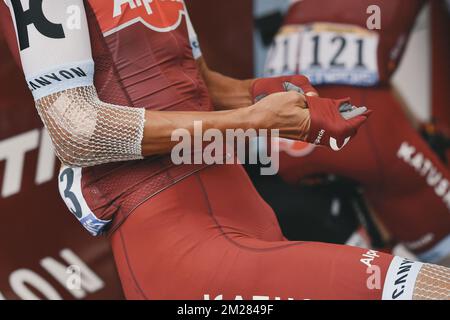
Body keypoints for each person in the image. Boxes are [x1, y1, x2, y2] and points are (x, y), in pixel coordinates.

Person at [1, 0, 448, 300]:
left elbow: (200, 87)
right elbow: (77, 130)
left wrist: (261, 93)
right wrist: (257, 120)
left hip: (247, 215)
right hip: (181, 249)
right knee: (429, 289)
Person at [258, 0, 450, 265]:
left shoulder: (299, 9)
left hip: (285, 145)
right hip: (366, 133)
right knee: (443, 255)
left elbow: (361, 80)